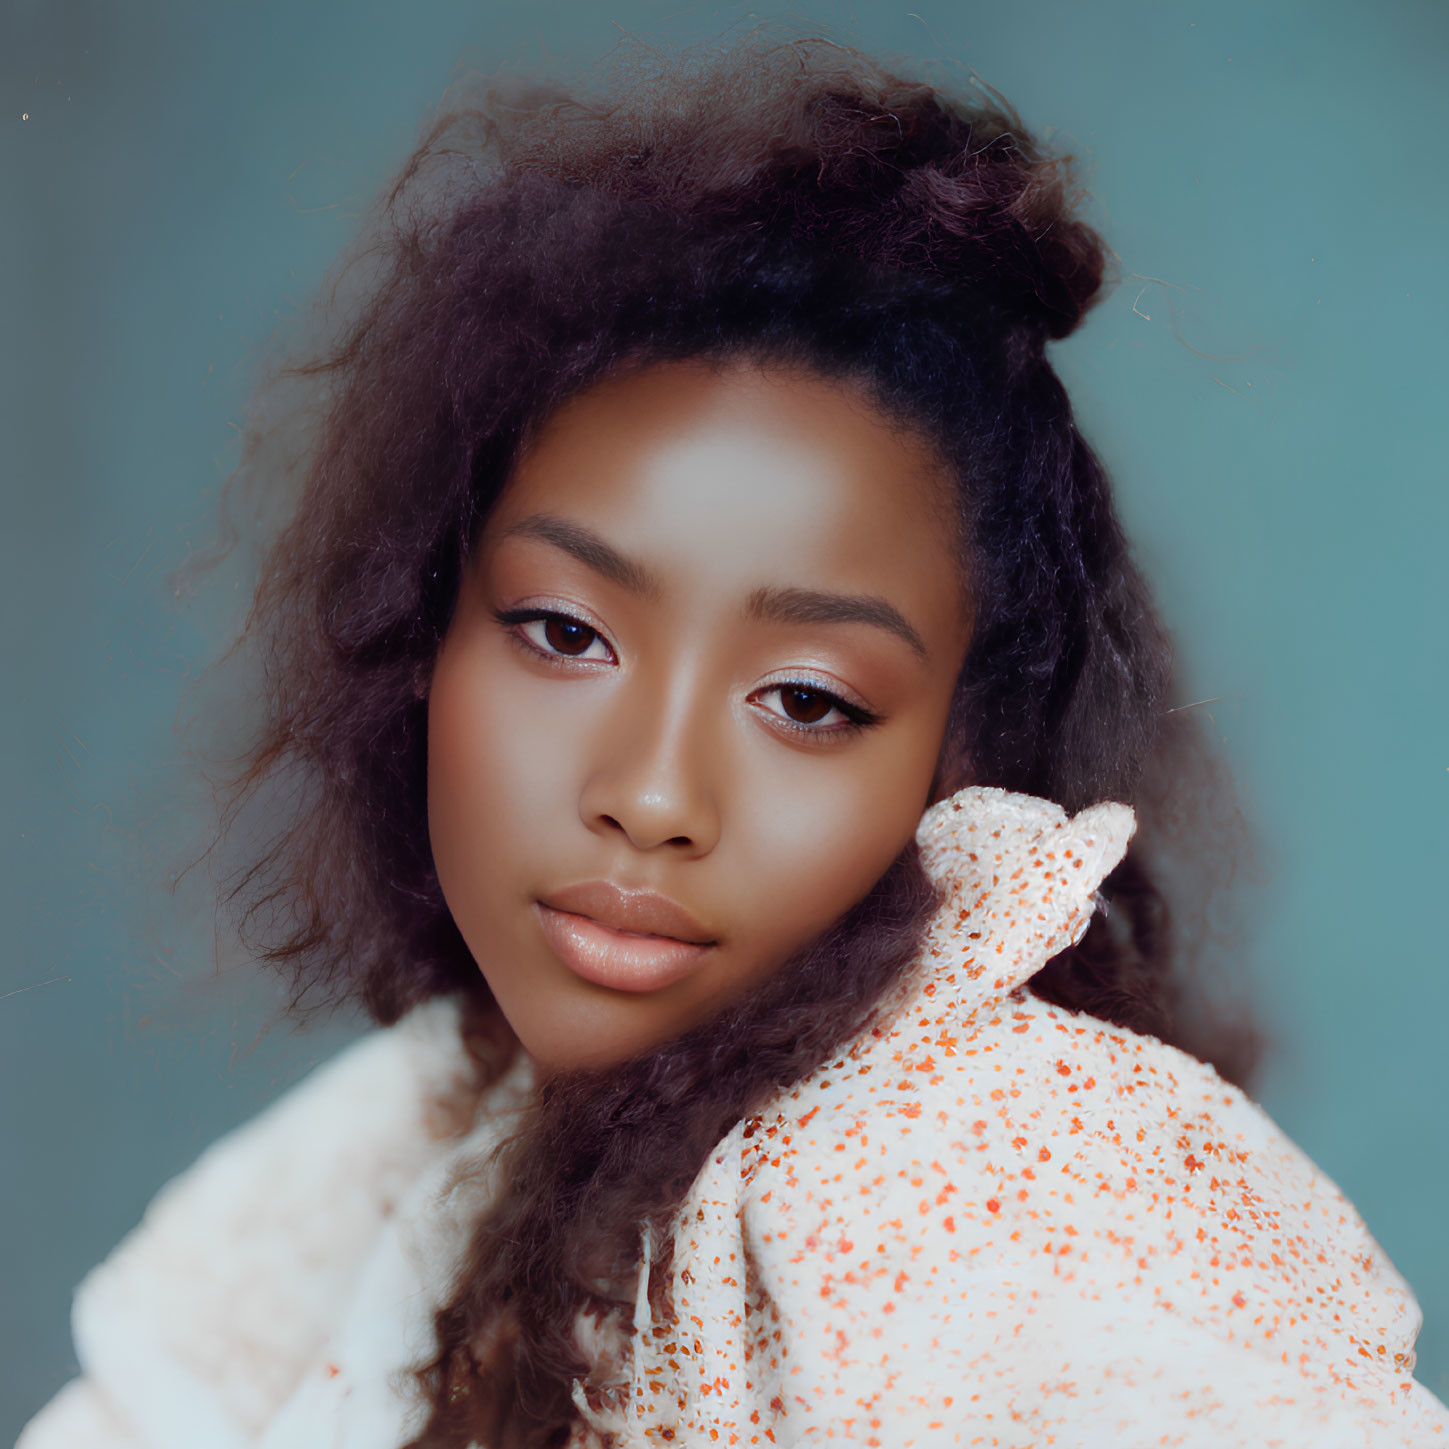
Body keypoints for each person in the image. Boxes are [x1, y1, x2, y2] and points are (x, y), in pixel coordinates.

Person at [17, 36, 1448, 1449]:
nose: (649, 794)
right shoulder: (424, 1122)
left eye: (809, 702)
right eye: (564, 633)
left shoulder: (996, 1159)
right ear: (422, 629)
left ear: (956, 762)